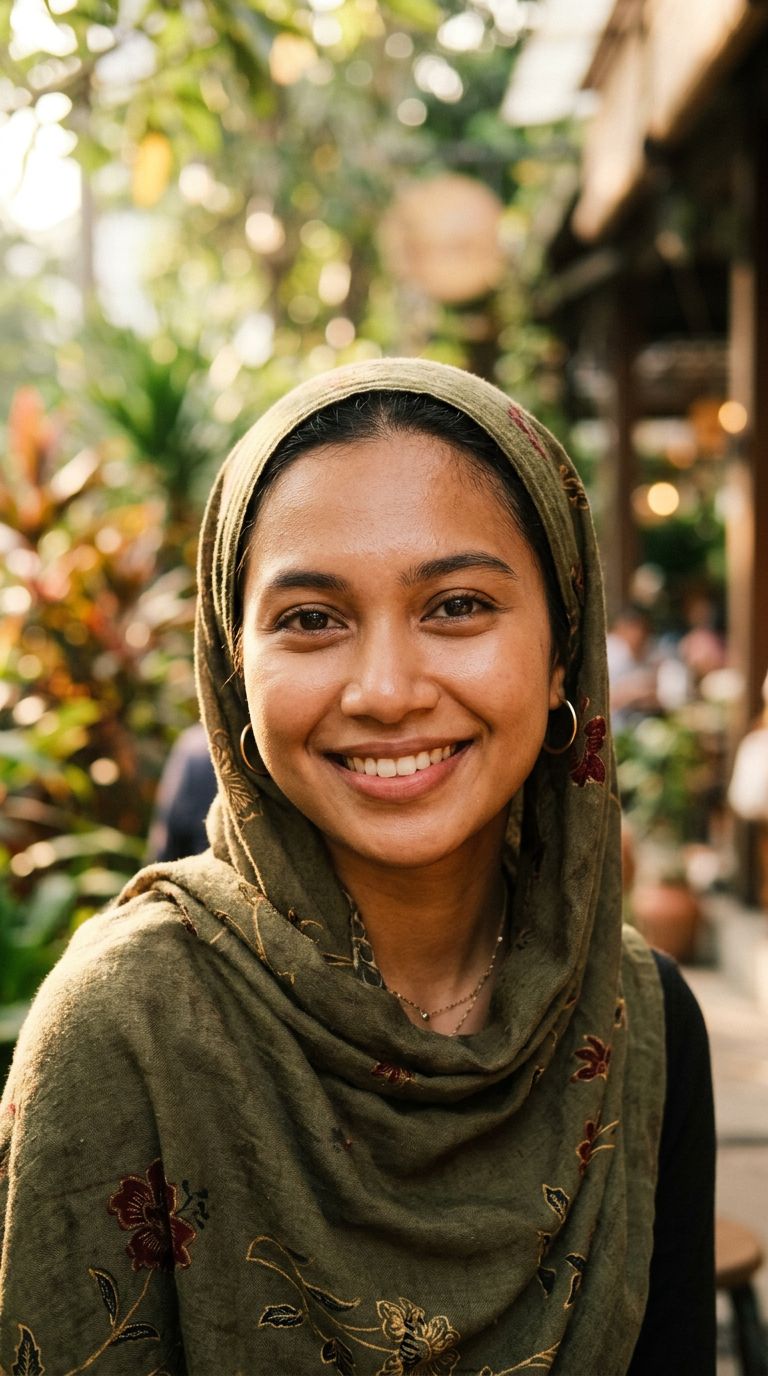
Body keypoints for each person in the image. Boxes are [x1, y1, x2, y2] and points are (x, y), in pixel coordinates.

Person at [0, 360, 714, 1374]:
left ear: (562, 649)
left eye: (458, 604)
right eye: (311, 619)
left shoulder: (637, 1014)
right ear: (234, 665)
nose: (385, 689)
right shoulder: (125, 1027)